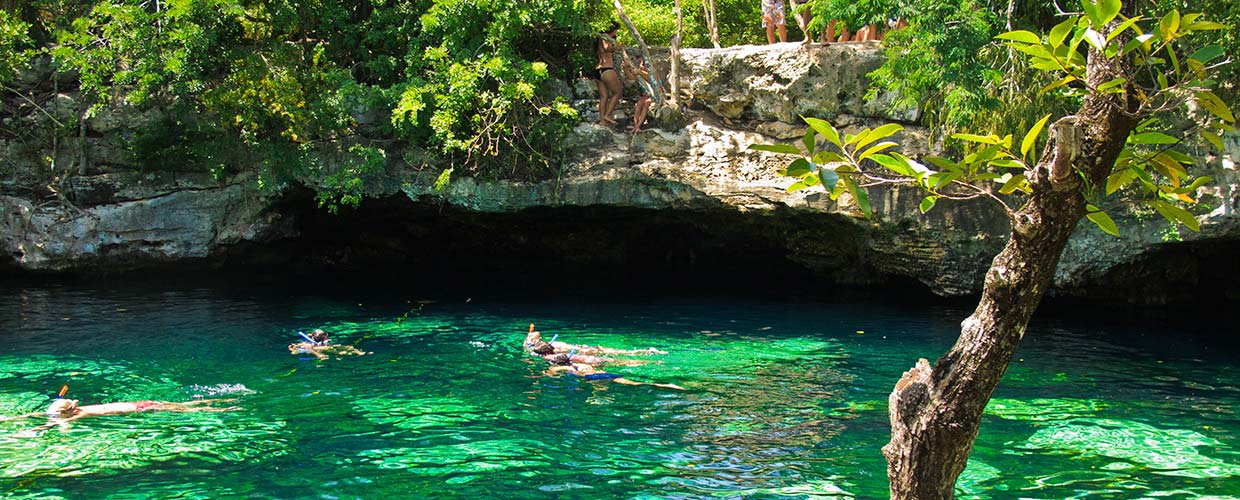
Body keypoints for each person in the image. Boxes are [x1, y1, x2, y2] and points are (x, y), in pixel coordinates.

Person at [15, 397, 240, 433]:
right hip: (137, 402)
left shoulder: (79, 414)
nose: (50, 416)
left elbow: (57, 425)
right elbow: (33, 414)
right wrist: (9, 419)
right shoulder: (74, 409)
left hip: (140, 408)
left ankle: (222, 409)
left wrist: (37, 430)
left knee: (188, 409)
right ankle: (223, 400)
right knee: (184, 404)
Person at [545, 353, 684, 390]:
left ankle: (599, 398)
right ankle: (666, 385)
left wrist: (549, 373)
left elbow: (554, 369)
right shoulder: (579, 364)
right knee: (636, 383)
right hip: (605, 374)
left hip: (594, 377)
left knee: (598, 393)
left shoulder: (569, 368)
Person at [524, 324, 667, 357]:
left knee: (620, 354)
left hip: (583, 349)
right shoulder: (545, 345)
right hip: (583, 348)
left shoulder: (547, 347)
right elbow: (535, 333)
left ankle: (647, 351)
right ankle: (647, 351)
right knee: (620, 352)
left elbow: (535, 332)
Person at [621, 53, 668, 133]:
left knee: (646, 103)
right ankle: (635, 126)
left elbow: (650, 79)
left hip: (658, 95)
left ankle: (639, 126)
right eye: (641, 64)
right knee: (639, 103)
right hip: (647, 96)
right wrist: (625, 68)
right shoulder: (640, 72)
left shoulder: (653, 73)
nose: (642, 66)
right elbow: (630, 77)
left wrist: (640, 72)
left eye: (644, 64)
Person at [594, 22, 624, 128]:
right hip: (606, 69)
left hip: (598, 70)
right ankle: (608, 115)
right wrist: (617, 46)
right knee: (618, 92)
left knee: (604, 96)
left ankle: (602, 121)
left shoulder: (600, 38)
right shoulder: (605, 36)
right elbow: (607, 48)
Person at [288, 328, 368, 360]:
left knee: (340, 347)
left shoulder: (317, 343)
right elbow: (296, 350)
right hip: (316, 350)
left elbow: (293, 347)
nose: (328, 339)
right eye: (326, 338)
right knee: (334, 349)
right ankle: (351, 353)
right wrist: (318, 355)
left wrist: (292, 347)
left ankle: (355, 352)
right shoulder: (308, 344)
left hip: (322, 349)